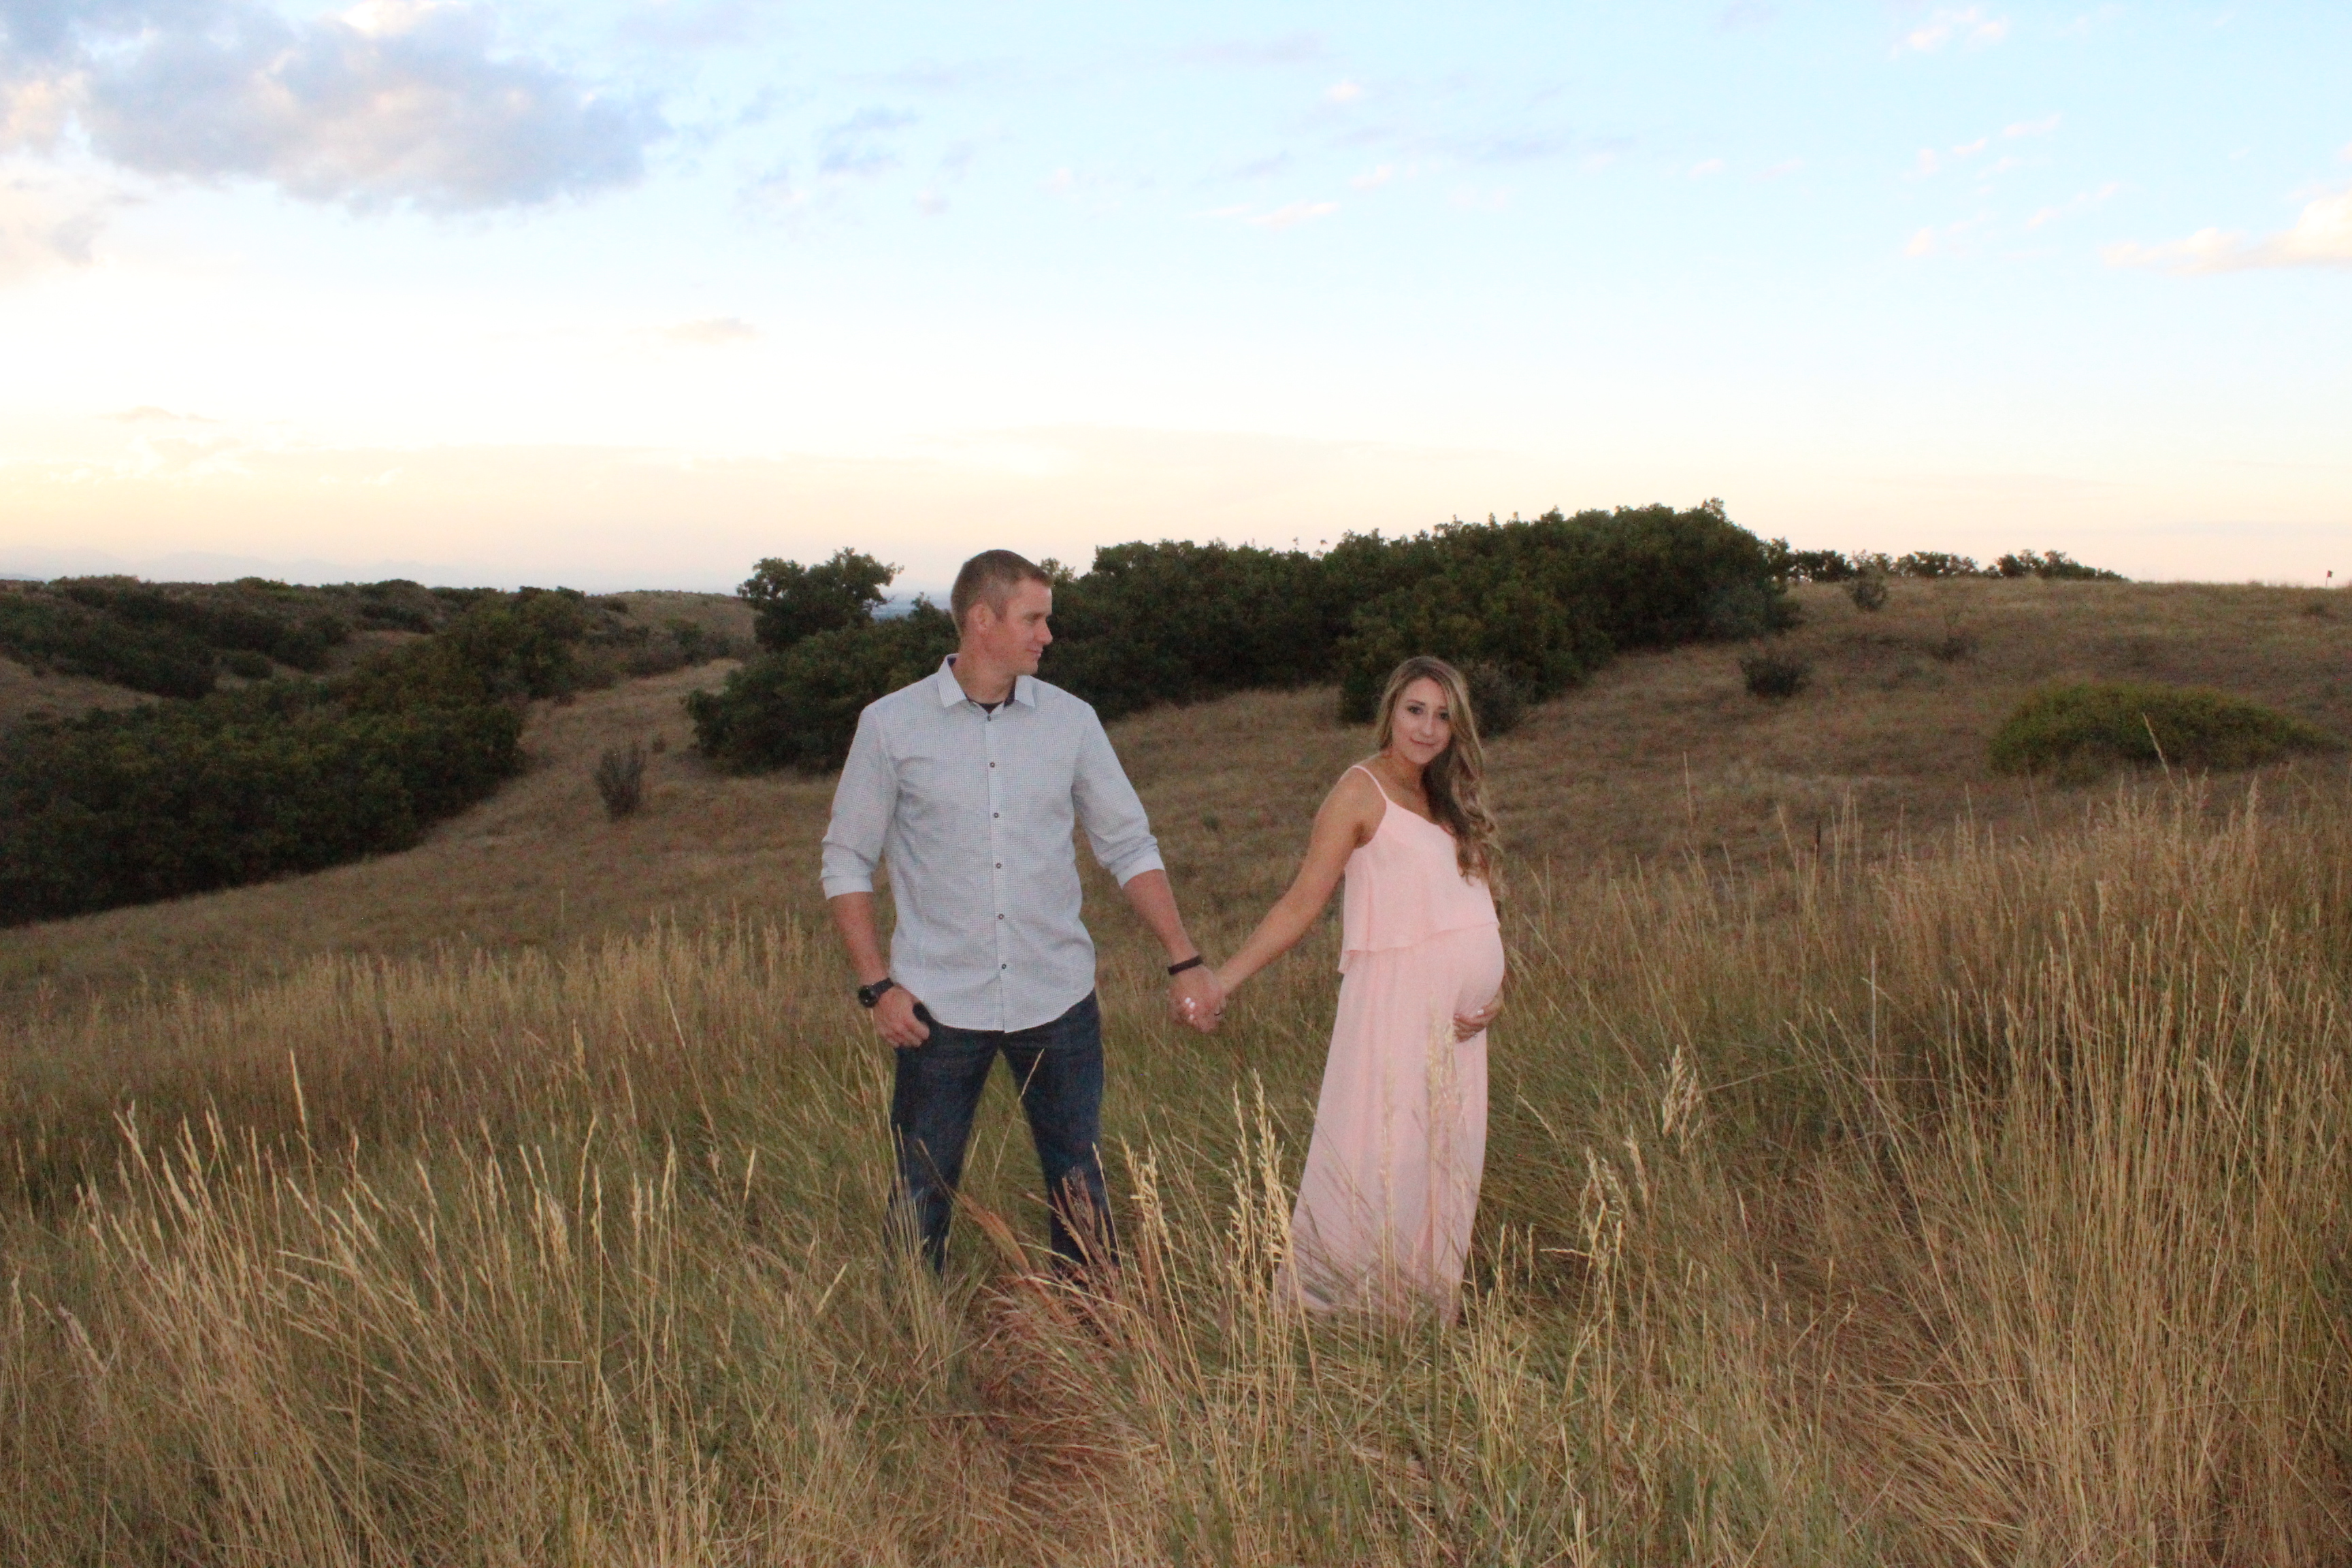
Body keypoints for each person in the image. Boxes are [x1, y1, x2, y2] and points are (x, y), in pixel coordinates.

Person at [821, 549, 1224, 1276]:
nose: (1047, 635)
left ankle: (1092, 1325)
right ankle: (910, 1326)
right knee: (921, 1185)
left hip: (1057, 996)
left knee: (1079, 1180)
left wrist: (1184, 958)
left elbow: (1128, 844)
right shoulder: (890, 726)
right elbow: (847, 860)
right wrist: (878, 986)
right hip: (936, 1006)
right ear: (983, 620)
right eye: (1034, 619)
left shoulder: (1072, 722)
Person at [1211, 656, 1505, 1322]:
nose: (1427, 728)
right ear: (1390, 710)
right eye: (1415, 710)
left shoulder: (1449, 798)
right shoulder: (1359, 791)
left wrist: (1496, 993)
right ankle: (1334, 1315)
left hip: (1461, 1033)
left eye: (1443, 716)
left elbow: (1476, 911)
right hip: (1396, 1008)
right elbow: (1300, 904)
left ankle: (1416, 1313)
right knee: (1382, 1152)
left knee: (1443, 1160)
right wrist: (1222, 980)